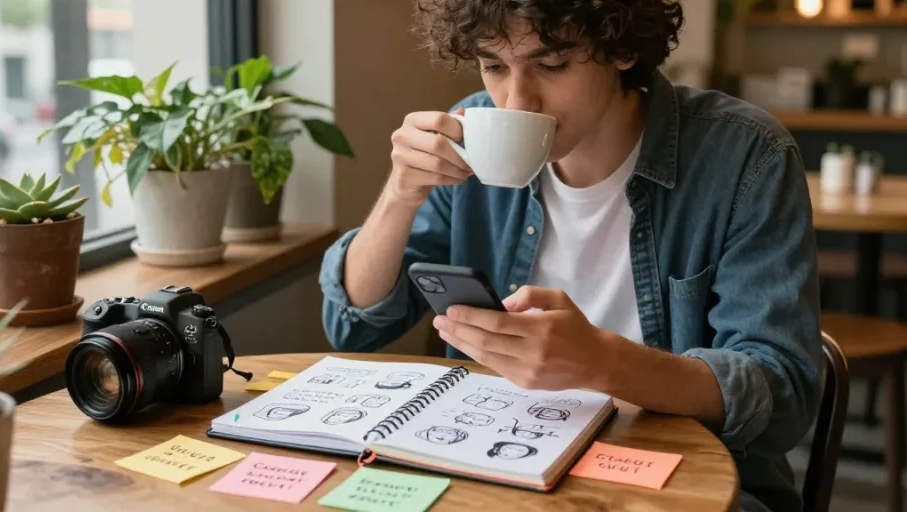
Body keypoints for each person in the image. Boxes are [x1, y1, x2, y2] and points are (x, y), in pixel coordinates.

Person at [317, 1, 821, 511]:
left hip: (689, 480)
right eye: (494, 66)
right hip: (498, 466)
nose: (517, 101)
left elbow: (782, 397)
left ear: (621, 49)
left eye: (551, 65)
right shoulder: (474, 134)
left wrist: (602, 362)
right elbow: (354, 325)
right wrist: (400, 194)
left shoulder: (744, 154)